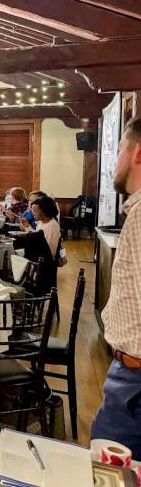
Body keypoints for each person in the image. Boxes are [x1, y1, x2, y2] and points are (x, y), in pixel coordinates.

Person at [92, 116, 141, 456]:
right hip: (130, 377)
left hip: (134, 384)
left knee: (109, 472)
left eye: (120, 149)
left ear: (138, 153)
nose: (115, 159)